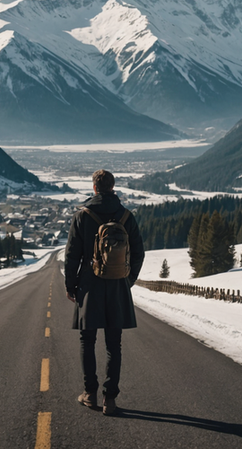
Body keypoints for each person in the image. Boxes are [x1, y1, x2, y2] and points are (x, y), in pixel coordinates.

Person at [64, 169, 145, 416]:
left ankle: (89, 393)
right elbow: (139, 253)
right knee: (114, 344)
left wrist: (71, 286)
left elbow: (71, 256)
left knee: (87, 340)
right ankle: (110, 399)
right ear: (113, 187)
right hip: (117, 285)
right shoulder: (126, 216)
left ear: (95, 188)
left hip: (89, 286)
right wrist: (127, 280)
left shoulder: (82, 215)